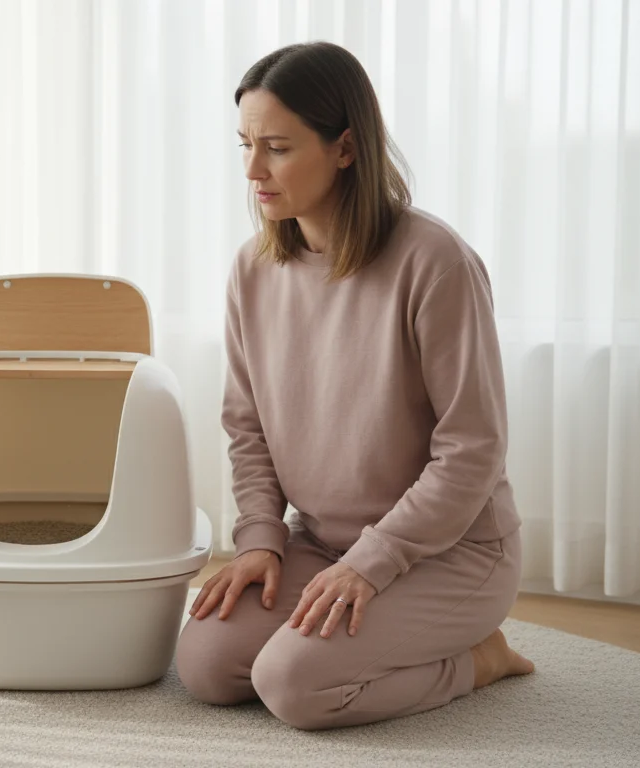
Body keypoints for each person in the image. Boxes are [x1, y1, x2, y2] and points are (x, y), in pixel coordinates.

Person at [175, 41, 535, 731]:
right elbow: (246, 427)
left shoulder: (436, 263)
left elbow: (472, 450)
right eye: (244, 144)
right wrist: (260, 539)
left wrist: (374, 562)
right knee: (209, 665)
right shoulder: (252, 269)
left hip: (451, 554)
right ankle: (365, 632)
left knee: (293, 686)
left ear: (345, 149)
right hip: (321, 543)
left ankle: (478, 659)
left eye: (276, 147)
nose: (253, 170)